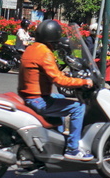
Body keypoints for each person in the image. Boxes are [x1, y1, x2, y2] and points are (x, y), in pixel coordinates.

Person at [19, 19, 95, 161]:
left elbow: (47, 73)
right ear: (51, 40)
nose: (56, 46)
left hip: (30, 96)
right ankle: (73, 150)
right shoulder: (45, 52)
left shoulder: (32, 48)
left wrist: (65, 75)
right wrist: (84, 82)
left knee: (60, 98)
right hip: (38, 100)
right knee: (78, 107)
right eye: (55, 42)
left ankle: (57, 140)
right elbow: (58, 81)